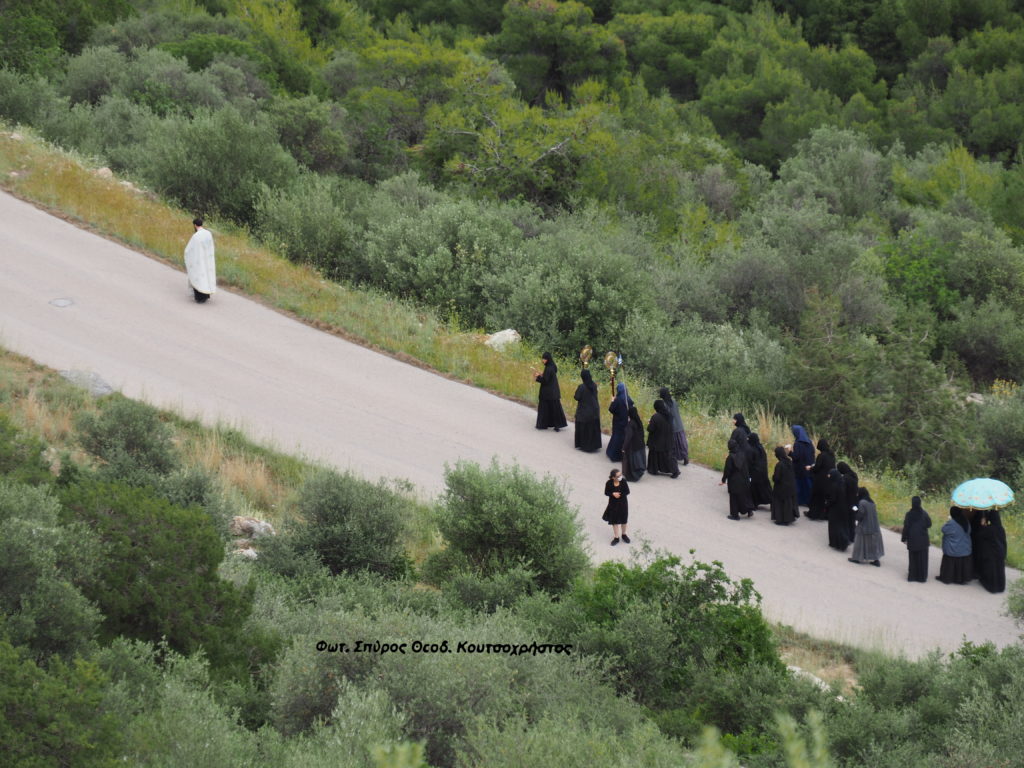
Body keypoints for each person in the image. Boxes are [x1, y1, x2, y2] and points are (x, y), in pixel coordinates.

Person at [937, 507, 974, 584]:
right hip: (965, 549)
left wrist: (948, 521)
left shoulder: (952, 523)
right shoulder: (966, 521)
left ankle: (947, 578)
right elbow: (969, 530)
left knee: (950, 560)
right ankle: (961, 579)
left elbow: (943, 530)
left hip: (953, 550)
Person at [184, 217, 216, 303]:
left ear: (195, 225)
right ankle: (206, 295)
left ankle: (200, 297)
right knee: (206, 276)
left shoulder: (196, 236)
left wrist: (187, 255)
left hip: (199, 260)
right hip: (207, 259)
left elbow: (189, 249)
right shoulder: (208, 233)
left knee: (198, 277)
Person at [974, 509, 1007, 593]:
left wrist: (982, 525)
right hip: (1000, 551)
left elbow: (979, 536)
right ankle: (1000, 586)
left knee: (991, 569)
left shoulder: (989, 529)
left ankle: (992, 586)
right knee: (999, 569)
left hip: (991, 553)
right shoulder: (1001, 528)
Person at [848, 487, 883, 566]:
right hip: (874, 526)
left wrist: (854, 510)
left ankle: (857, 558)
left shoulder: (862, 502)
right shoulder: (872, 502)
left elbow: (860, 515)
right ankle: (876, 560)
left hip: (864, 526)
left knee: (859, 542)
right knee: (873, 544)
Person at [720, 438, 754, 520]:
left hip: (734, 481)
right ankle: (749, 510)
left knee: (734, 498)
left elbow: (727, 470)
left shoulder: (730, 457)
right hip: (744, 479)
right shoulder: (742, 454)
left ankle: (735, 515)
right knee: (744, 496)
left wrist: (723, 480)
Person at [901, 496, 932, 583]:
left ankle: (912, 576)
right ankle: (922, 578)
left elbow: (906, 527)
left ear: (912, 503)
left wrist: (904, 538)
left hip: (912, 539)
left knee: (913, 559)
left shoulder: (909, 514)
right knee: (922, 559)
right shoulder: (924, 513)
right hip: (923, 540)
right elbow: (929, 524)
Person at [534, 353, 567, 431]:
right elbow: (548, 377)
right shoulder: (552, 366)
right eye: (542, 358)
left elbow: (545, 380)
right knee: (555, 409)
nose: (542, 360)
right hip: (553, 392)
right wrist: (542, 374)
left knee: (545, 408)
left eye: (544, 359)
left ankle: (542, 425)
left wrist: (537, 377)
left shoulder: (548, 368)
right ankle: (557, 425)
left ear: (548, 359)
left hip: (548, 392)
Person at [647, 401, 680, 478]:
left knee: (655, 455)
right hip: (668, 439)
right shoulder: (669, 415)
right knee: (668, 457)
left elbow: (650, 429)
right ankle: (675, 471)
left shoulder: (655, 417)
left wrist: (649, 423)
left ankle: (653, 469)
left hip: (657, 440)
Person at [573, 369, 602, 452]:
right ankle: (594, 445)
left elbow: (577, 397)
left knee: (584, 428)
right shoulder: (594, 385)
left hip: (584, 411)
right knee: (592, 427)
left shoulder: (582, 387)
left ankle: (585, 446)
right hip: (594, 410)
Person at [806, 438, 835, 521]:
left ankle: (814, 514)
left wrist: (810, 468)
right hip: (829, 479)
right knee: (824, 498)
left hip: (820, 479)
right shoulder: (831, 455)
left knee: (816, 497)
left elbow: (817, 467)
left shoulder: (821, 455)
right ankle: (824, 514)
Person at [659, 387, 690, 465]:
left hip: (670, 426)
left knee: (672, 444)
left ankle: (672, 459)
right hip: (679, 424)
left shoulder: (663, 404)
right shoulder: (674, 402)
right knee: (681, 443)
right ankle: (685, 457)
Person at [602, 468, 631, 545]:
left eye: (620, 475)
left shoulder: (623, 481)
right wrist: (613, 494)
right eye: (618, 476)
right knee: (614, 521)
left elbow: (627, 491)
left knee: (624, 520)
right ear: (613, 477)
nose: (620, 477)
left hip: (623, 504)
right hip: (613, 504)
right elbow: (606, 492)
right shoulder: (609, 483)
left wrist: (619, 494)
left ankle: (624, 534)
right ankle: (616, 537)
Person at [770, 445, 798, 525]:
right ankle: (788, 518)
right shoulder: (789, 462)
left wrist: (773, 477)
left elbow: (777, 478)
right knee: (788, 503)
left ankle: (781, 519)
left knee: (779, 502)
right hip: (791, 487)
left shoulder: (779, 464)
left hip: (781, 488)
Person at [606, 382, 633, 461]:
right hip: (626, 421)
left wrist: (612, 401)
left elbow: (611, 409)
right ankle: (623, 455)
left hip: (618, 422)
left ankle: (614, 455)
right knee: (623, 437)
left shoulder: (618, 399)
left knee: (616, 437)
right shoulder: (629, 399)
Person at [790, 425, 815, 508]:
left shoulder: (797, 444)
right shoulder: (809, 442)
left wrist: (789, 452)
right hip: (808, 467)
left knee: (799, 485)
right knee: (808, 485)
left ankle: (799, 501)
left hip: (799, 468)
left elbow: (796, 456)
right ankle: (809, 501)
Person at [826, 467, 850, 551]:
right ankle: (843, 542)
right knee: (841, 526)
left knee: (834, 527)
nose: (829, 476)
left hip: (835, 509)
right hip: (843, 508)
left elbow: (832, 499)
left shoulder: (834, 486)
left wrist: (827, 504)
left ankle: (835, 543)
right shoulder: (842, 483)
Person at [621, 405, 647, 482]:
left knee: (632, 462)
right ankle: (638, 474)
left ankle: (632, 477)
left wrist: (624, 447)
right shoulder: (639, 421)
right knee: (638, 461)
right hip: (640, 444)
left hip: (632, 446)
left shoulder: (631, 424)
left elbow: (628, 437)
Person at [837, 462, 859, 544]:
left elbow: (843, 491)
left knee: (846, 519)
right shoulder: (854, 475)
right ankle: (852, 536)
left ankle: (846, 536)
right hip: (854, 501)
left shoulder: (845, 478)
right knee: (852, 518)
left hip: (847, 501)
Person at [748, 432, 772, 508]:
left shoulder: (752, 449)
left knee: (754, 488)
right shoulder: (761, 448)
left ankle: (754, 503)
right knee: (765, 488)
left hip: (755, 472)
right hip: (763, 471)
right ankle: (772, 501)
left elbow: (750, 461)